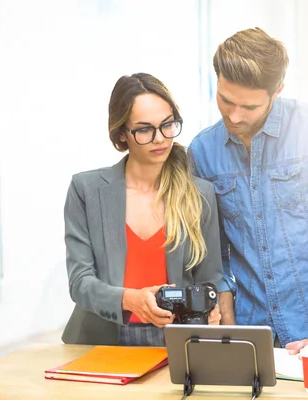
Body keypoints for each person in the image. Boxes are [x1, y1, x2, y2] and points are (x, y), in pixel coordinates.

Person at [188, 28, 308, 353]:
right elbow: (216, 253)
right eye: (226, 100)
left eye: (249, 107)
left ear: (277, 91)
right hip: (250, 331)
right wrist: (228, 328)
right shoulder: (202, 151)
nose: (233, 115)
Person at [62, 73, 234, 346]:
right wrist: (130, 300)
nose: (160, 139)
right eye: (144, 129)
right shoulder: (86, 190)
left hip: (177, 338)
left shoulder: (199, 194)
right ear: (121, 134)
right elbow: (80, 283)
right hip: (101, 340)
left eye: (168, 125)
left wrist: (208, 310)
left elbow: (210, 277)